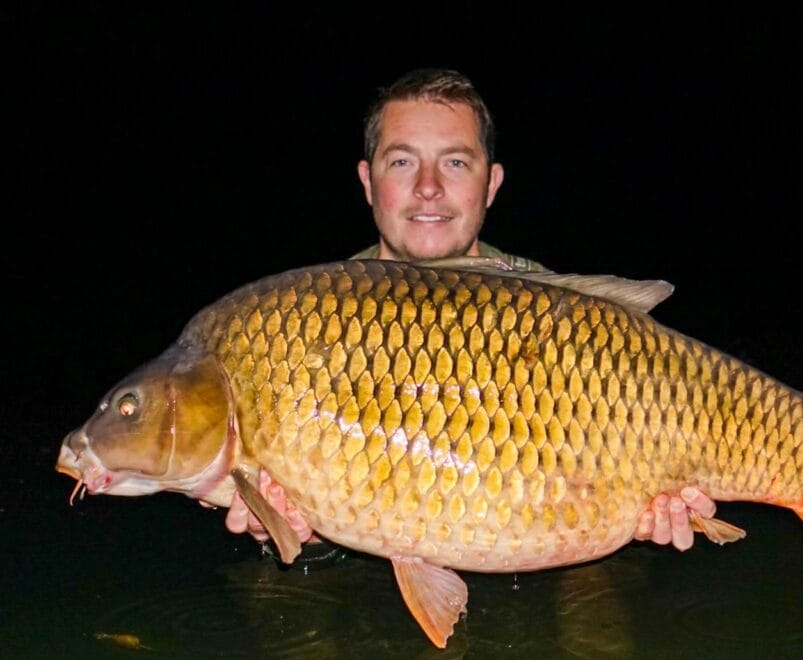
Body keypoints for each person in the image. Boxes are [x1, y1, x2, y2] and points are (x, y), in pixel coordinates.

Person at [224, 68, 717, 558]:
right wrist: (290, 535)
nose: (429, 187)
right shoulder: (304, 322)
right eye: (401, 162)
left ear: (492, 183)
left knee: (595, 612)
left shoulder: (558, 313)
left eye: (456, 163)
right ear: (367, 181)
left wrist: (648, 507)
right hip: (371, 578)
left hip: (546, 561)